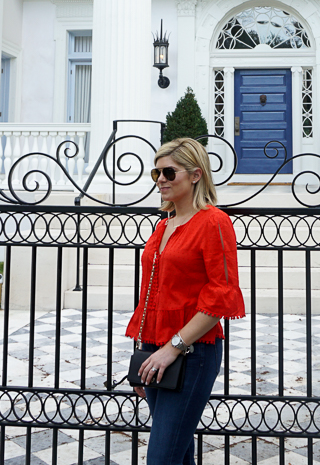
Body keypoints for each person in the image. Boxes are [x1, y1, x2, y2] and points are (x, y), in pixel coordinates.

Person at [125, 137, 246, 465]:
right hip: (154, 350)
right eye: (156, 173)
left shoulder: (214, 222)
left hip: (192, 353)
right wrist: (143, 353)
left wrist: (172, 348)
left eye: (168, 172)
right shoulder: (163, 225)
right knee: (178, 453)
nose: (160, 180)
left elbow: (221, 295)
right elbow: (152, 292)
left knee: (162, 457)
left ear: (195, 175)